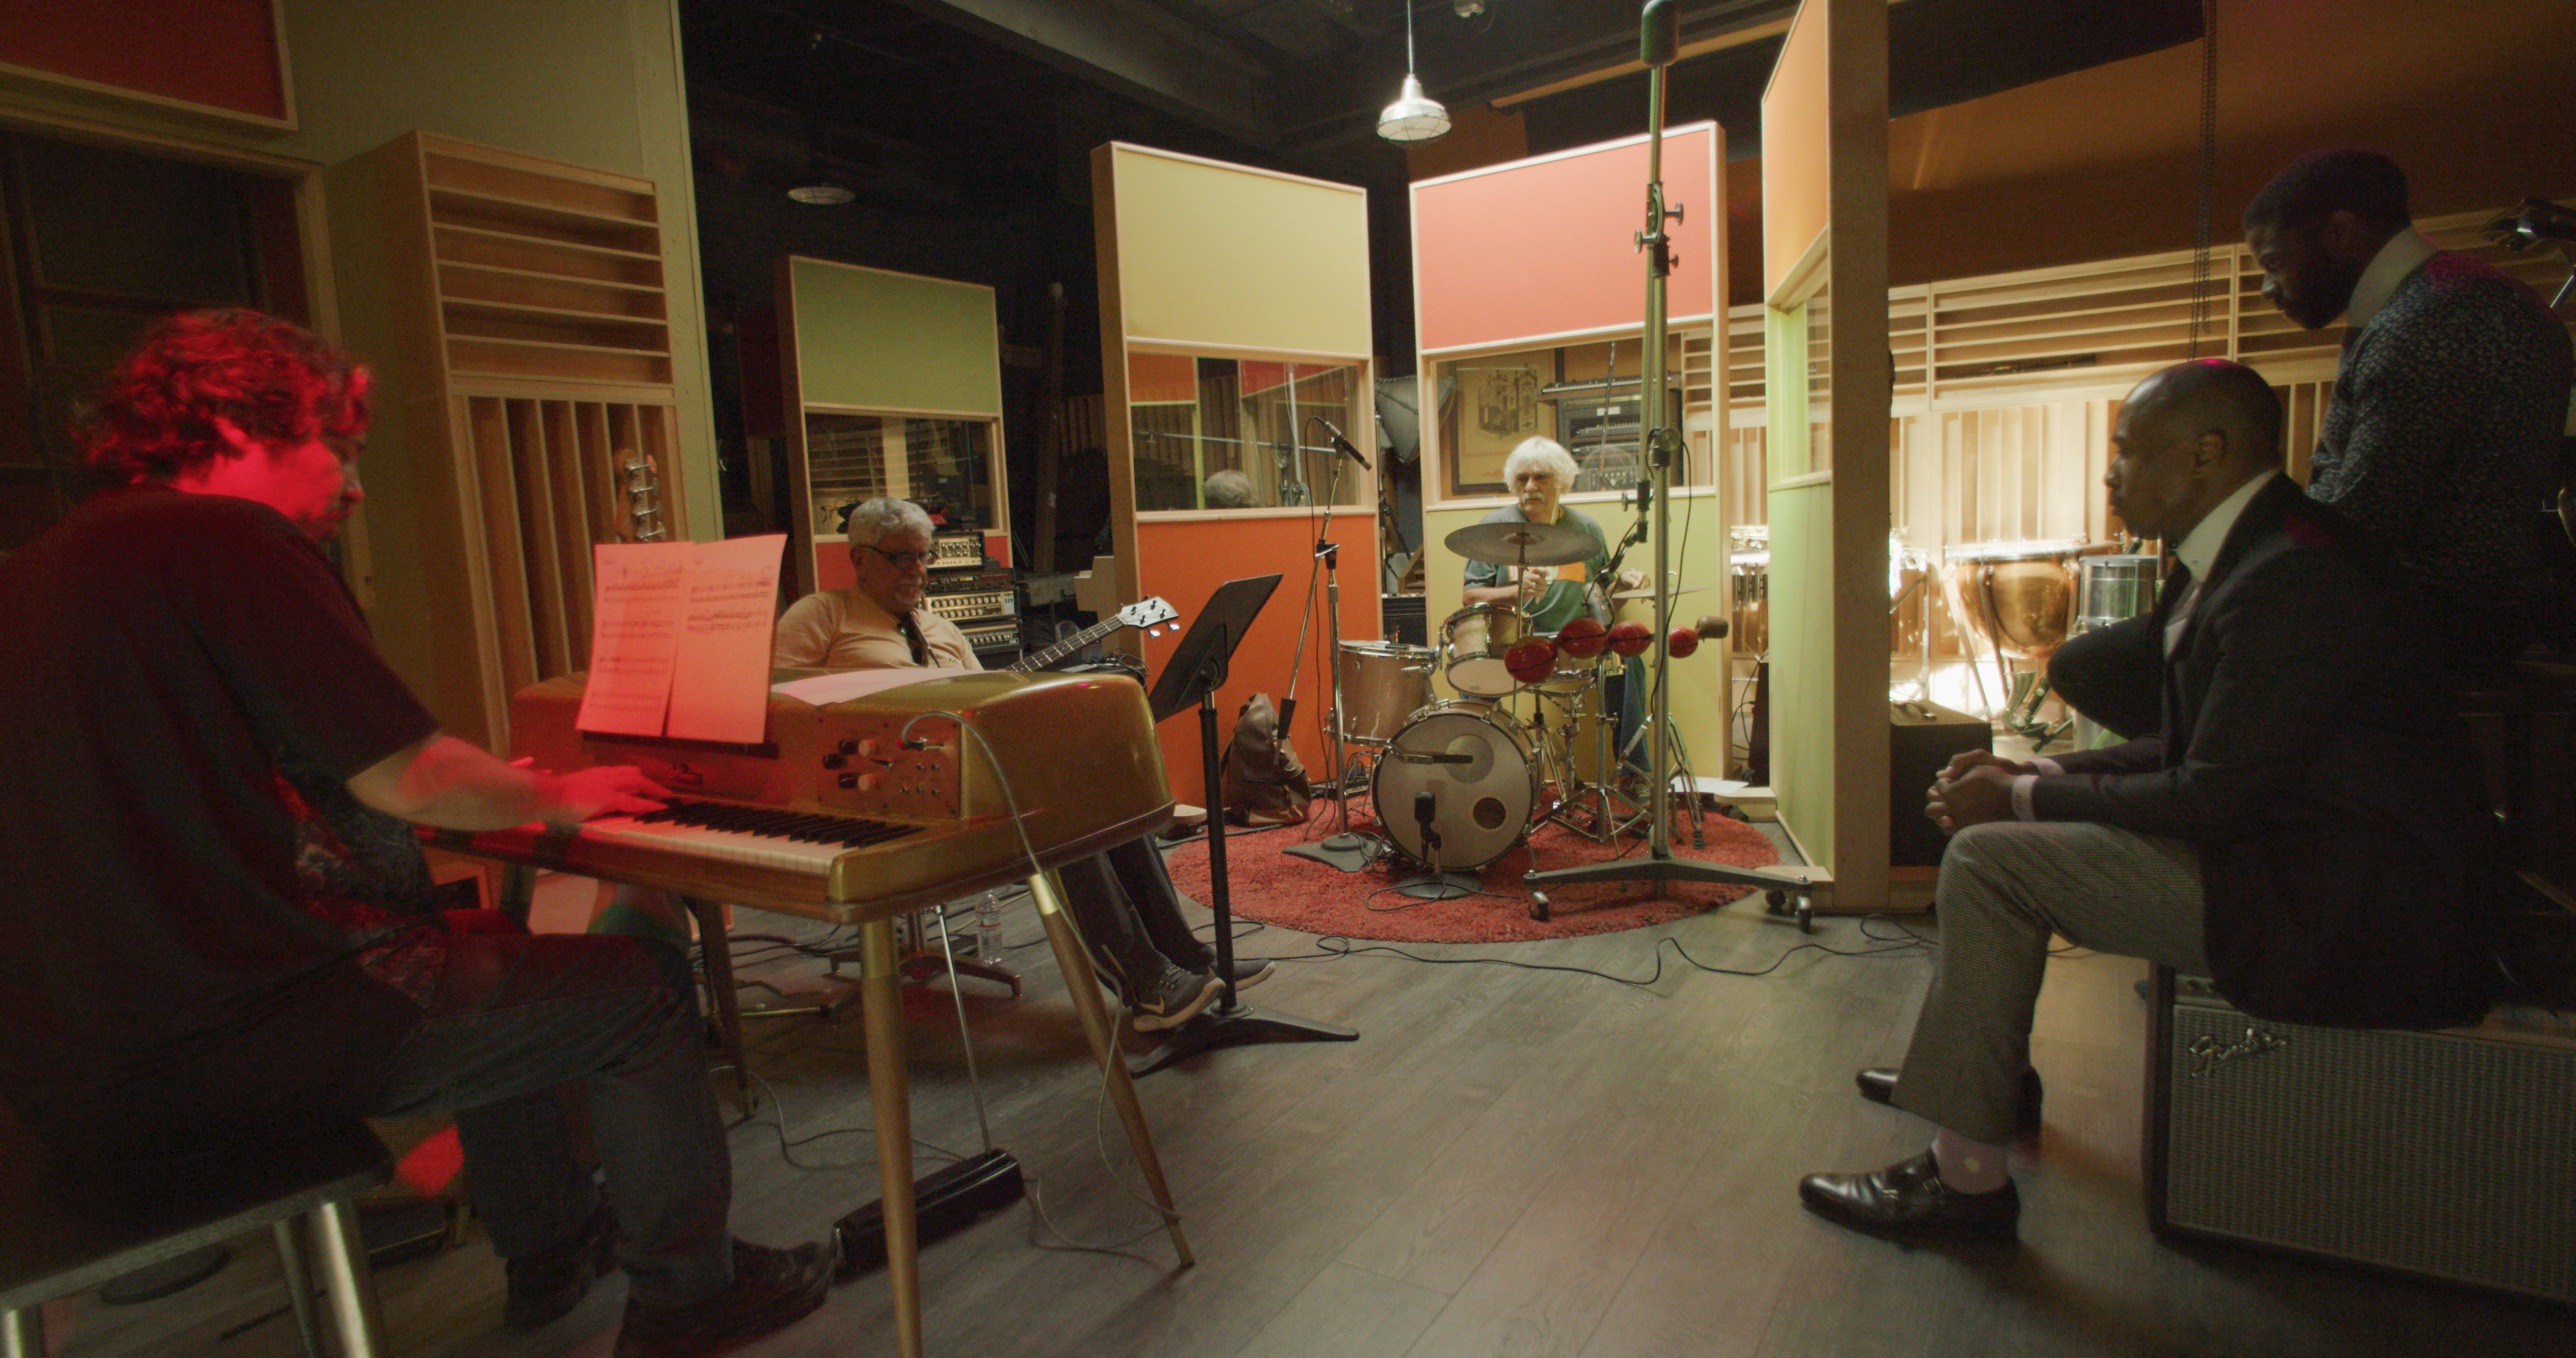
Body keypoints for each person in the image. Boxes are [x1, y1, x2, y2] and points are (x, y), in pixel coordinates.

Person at [0, 311, 836, 1358]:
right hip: (230, 1043)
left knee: (499, 954)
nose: (351, 489)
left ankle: (551, 1254)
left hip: (73, 1075)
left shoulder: (35, 569)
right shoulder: (221, 538)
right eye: (337, 450)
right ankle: (690, 1298)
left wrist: (506, 791)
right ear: (230, 419)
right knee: (634, 990)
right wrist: (563, 798)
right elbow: (412, 775)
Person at [1799, 360, 2502, 1240]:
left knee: (1988, 862)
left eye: (2128, 452)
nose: (2110, 474)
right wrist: (2047, 778)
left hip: (2335, 901)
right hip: (2288, 853)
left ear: (2208, 454)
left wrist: (2014, 797)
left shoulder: (2294, 577)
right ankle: (1982, 1078)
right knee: (1999, 843)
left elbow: (2212, 797)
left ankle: (1965, 1184)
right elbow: (2204, 749)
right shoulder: (2246, 551)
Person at [2054, 149, 2575, 735]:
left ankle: (2242, 801)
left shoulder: (2428, 322)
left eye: (2274, 262)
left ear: (2341, 233)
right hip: (2463, 599)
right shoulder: (2456, 296)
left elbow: (2360, 518)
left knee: (2091, 666)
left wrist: (2227, 558)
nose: (2266, 287)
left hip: (2433, 610)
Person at [775, 496, 1271, 1031]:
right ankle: (1146, 986)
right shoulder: (821, 616)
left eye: (924, 557)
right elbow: (778, 702)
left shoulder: (940, 630)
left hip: (962, 777)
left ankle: (1190, 960)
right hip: (878, 786)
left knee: (1107, 801)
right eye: (902, 558)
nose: (917, 571)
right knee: (1055, 818)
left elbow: (989, 706)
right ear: (858, 559)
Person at [1458, 436, 1648, 768]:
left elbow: (1601, 593)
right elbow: (1470, 596)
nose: (1531, 486)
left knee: (1630, 660)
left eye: (1541, 477)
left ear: (1561, 482)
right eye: (1523, 479)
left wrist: (1627, 581)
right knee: (1469, 666)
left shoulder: (1584, 529)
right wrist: (1515, 594)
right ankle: (1483, 770)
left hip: (1572, 642)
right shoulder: (1494, 527)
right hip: (1511, 642)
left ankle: (1634, 771)